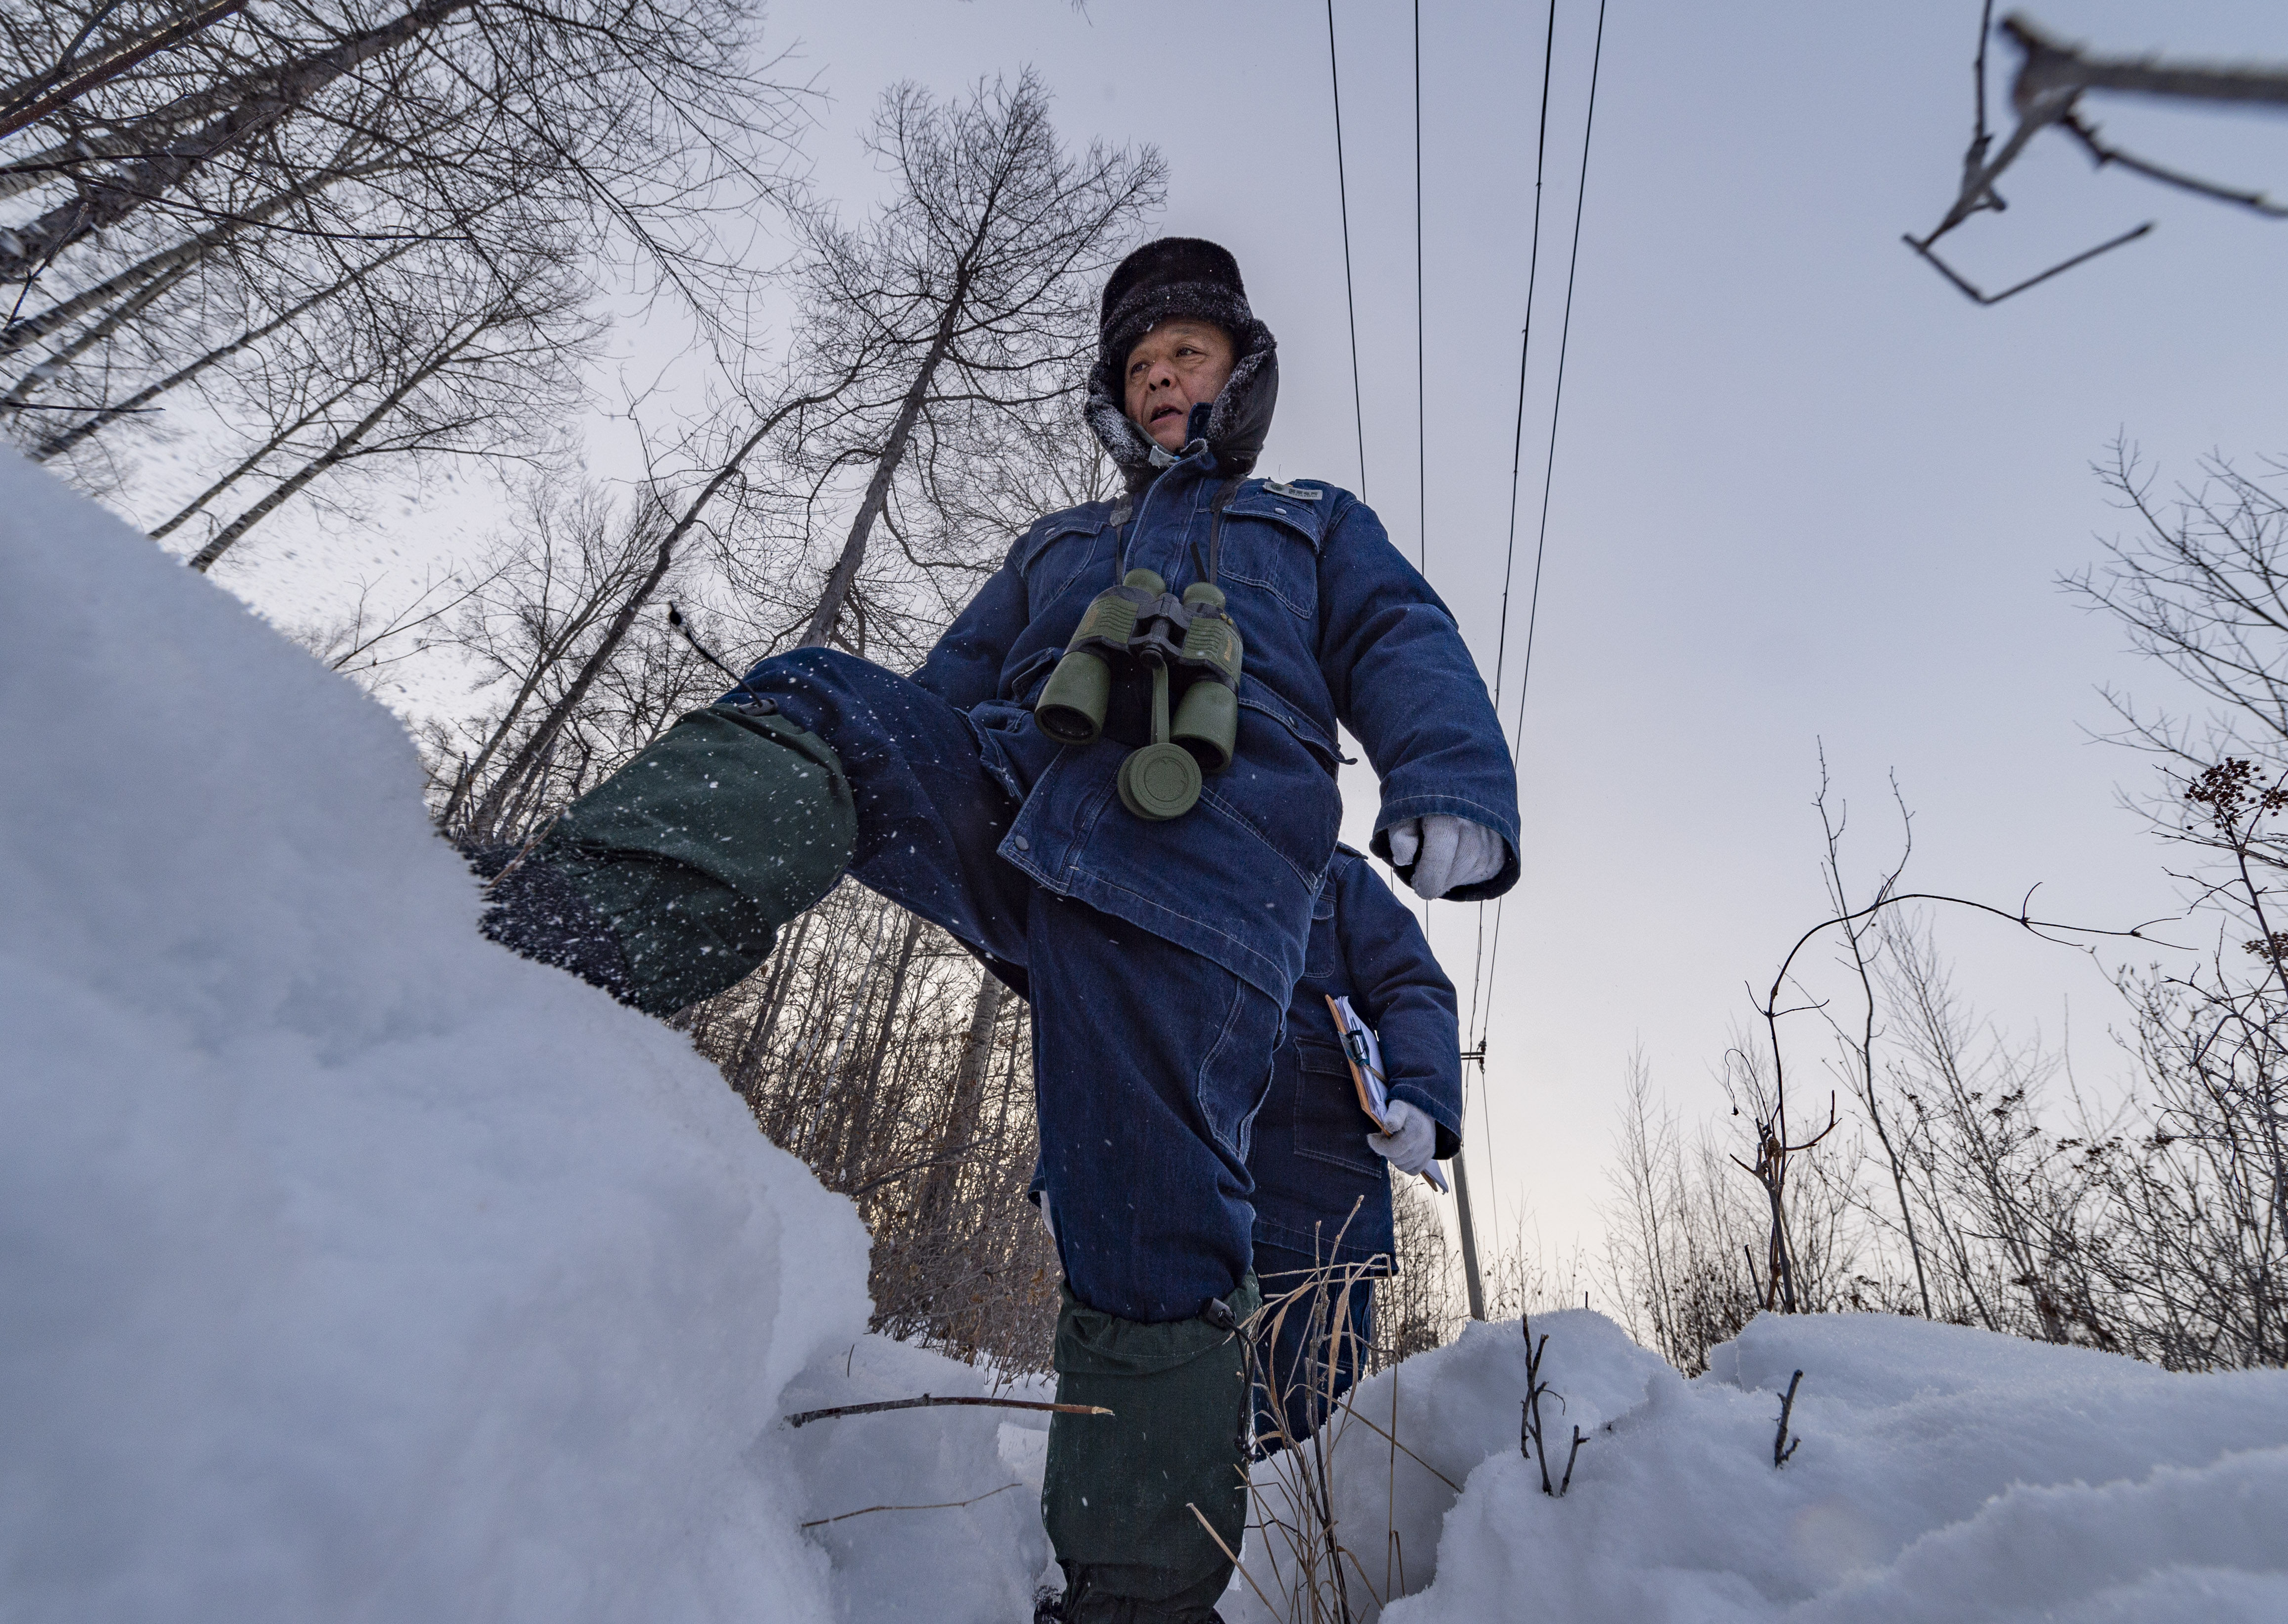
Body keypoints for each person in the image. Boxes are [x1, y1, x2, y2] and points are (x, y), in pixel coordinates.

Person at [479, 237, 1520, 1624]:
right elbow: (946, 687)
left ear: (1242, 374)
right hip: (1030, 809)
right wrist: (894, 770)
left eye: (1189, 356)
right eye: (1142, 365)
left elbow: (1399, 635)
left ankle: (1138, 1599)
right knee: (827, 703)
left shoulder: (1314, 522)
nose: (1164, 379)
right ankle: (544, 941)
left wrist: (1447, 780)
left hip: (1206, 874)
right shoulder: (1055, 548)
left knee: (1150, 1241)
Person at [1244, 844, 1459, 1452]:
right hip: (1171, 1188)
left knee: (1302, 1440)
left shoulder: (1336, 877)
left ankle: (1299, 1548)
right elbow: (1108, 1001)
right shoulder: (1158, 854)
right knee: (1168, 1420)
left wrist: (1421, 1095)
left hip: (1314, 1212)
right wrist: (1072, 1164)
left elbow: (1412, 983)